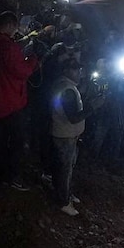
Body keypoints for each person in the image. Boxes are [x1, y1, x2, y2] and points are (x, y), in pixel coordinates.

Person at [0, 11, 39, 190]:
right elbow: (22, 70)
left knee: (1, 138)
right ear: (8, 25)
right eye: (15, 27)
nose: (16, 31)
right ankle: (10, 176)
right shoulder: (7, 47)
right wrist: (32, 59)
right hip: (10, 100)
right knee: (17, 141)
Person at [50, 59, 104, 216]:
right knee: (65, 170)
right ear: (66, 71)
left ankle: (66, 193)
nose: (80, 73)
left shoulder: (64, 85)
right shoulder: (67, 90)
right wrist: (93, 107)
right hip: (65, 135)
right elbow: (73, 117)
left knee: (66, 168)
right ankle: (63, 201)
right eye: (76, 70)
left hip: (67, 134)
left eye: (80, 70)